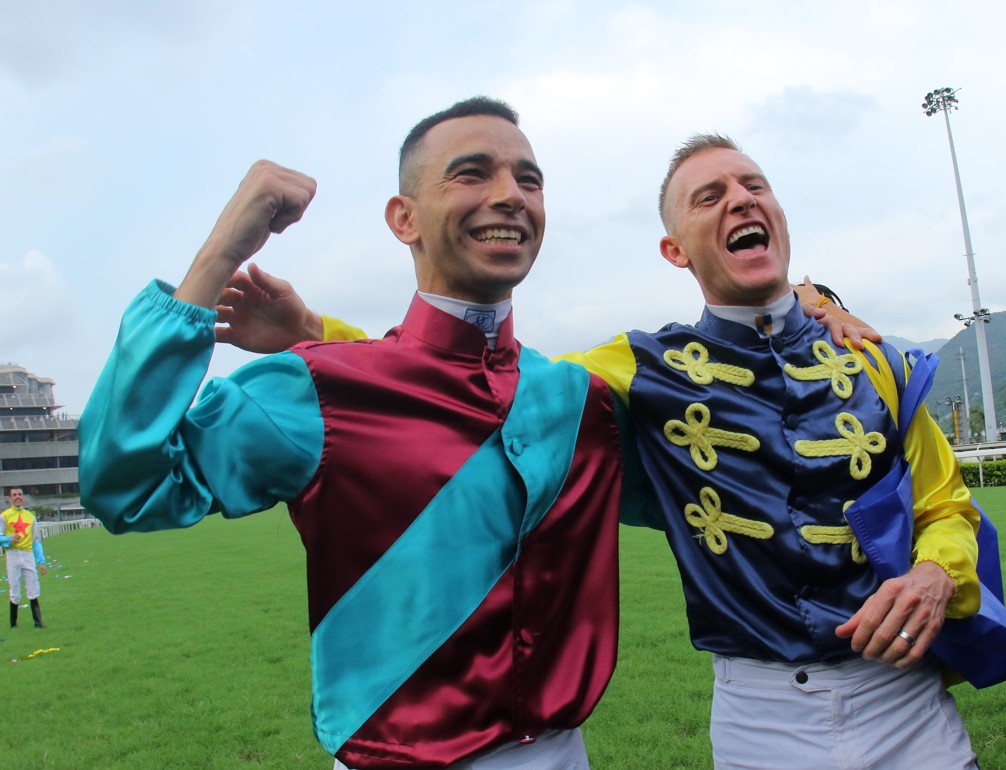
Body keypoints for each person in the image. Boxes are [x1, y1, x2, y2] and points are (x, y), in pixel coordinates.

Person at [232, 134, 1006, 769]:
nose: (740, 201)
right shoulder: (638, 367)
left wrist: (938, 572)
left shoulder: (877, 362)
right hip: (763, 714)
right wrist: (316, 335)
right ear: (675, 249)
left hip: (910, 704)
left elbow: (945, 505)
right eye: (709, 196)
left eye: (754, 186)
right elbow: (474, 390)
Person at [77, 97, 634, 770]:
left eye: (529, 180)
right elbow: (123, 486)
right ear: (404, 218)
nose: (509, 196)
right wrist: (222, 251)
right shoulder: (313, 390)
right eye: (472, 173)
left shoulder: (583, 400)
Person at [2, 487, 47, 629]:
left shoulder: (30, 517)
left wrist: (41, 561)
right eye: (14, 495)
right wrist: (8, 539)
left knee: (33, 587)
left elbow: (36, 540)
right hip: (12, 554)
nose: (17, 497)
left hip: (27, 554)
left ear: (23, 497)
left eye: (20, 495)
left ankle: (38, 623)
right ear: (10, 499)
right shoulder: (4, 516)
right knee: (14, 588)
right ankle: (13, 624)